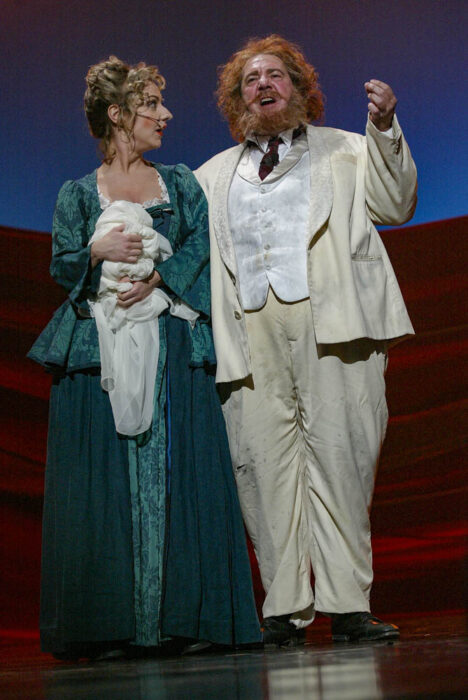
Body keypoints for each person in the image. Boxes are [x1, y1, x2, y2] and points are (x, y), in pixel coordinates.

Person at [28, 56, 261, 660]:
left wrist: (159, 278)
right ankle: (108, 625)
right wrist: (95, 251)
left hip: (171, 345)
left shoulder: (178, 183)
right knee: (103, 480)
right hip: (99, 346)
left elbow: (201, 244)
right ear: (118, 114)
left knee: (181, 471)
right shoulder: (78, 193)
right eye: (152, 104)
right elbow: (62, 266)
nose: (165, 114)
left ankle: (186, 618)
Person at [195, 35, 417, 645]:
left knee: (342, 460)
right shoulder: (211, 175)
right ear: (237, 100)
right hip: (249, 333)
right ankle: (285, 608)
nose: (263, 85)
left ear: (298, 87)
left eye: (275, 75)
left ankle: (349, 605)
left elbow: (396, 205)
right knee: (262, 467)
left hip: (335, 323)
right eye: (250, 80)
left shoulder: (348, 149)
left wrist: (385, 129)